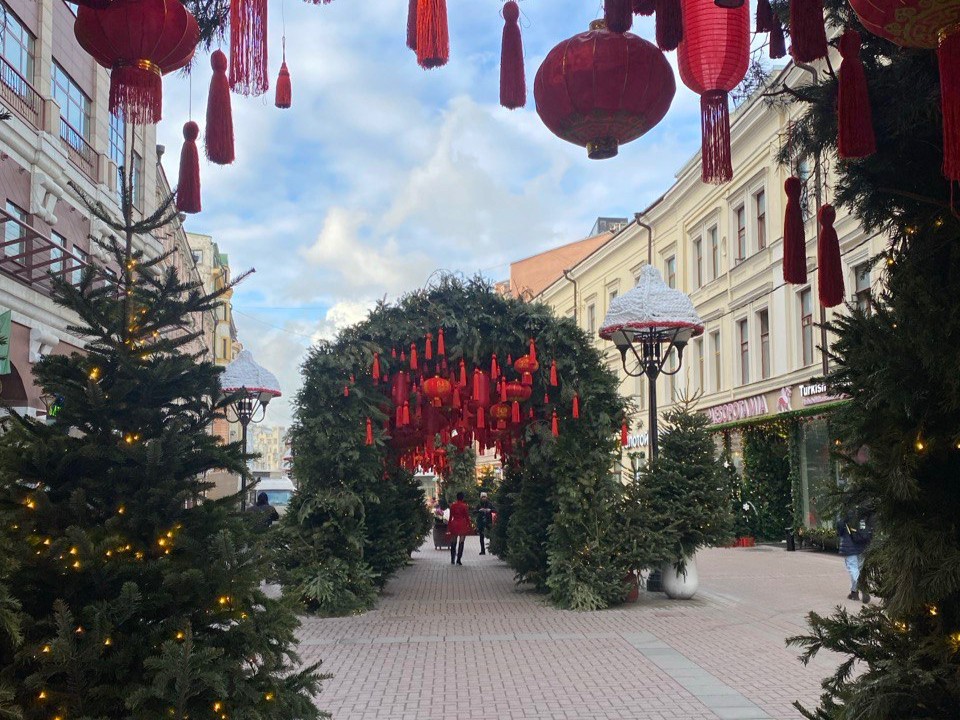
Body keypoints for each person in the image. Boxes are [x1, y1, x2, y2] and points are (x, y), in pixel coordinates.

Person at [837, 508, 872, 603]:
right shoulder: (863, 513)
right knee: (858, 570)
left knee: (853, 569)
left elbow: (840, 529)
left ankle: (862, 587)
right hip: (863, 545)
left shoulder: (845, 513)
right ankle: (854, 592)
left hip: (849, 546)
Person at [446, 491, 471, 566]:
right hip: (462, 524)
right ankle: (459, 559)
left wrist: (449, 526)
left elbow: (450, 517)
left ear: (456, 497)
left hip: (454, 524)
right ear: (463, 498)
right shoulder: (464, 506)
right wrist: (469, 525)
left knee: (453, 542)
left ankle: (452, 559)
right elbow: (467, 517)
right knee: (461, 541)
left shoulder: (453, 506)